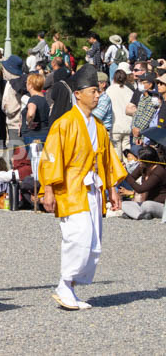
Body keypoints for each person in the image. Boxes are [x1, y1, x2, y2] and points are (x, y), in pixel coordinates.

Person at [38, 64, 127, 310]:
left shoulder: (98, 126)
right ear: (78, 94)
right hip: (70, 189)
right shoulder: (64, 123)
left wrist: (112, 189)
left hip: (93, 190)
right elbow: (51, 157)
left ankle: (70, 288)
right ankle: (64, 285)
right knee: (78, 238)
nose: (97, 96)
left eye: (99, 91)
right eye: (93, 91)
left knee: (93, 242)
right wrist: (48, 189)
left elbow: (107, 159)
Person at [118, 145, 166, 221]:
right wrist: (123, 171)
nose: (138, 161)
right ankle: (140, 216)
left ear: (148, 161)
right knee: (124, 204)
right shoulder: (142, 167)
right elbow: (132, 178)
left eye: (141, 160)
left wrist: (126, 175)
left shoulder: (159, 171)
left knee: (147, 205)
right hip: (145, 203)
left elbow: (140, 189)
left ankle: (133, 214)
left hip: (160, 205)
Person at [106, 69, 134, 155]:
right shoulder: (130, 91)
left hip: (115, 126)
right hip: (128, 126)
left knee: (117, 156)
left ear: (114, 79)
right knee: (128, 154)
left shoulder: (109, 91)